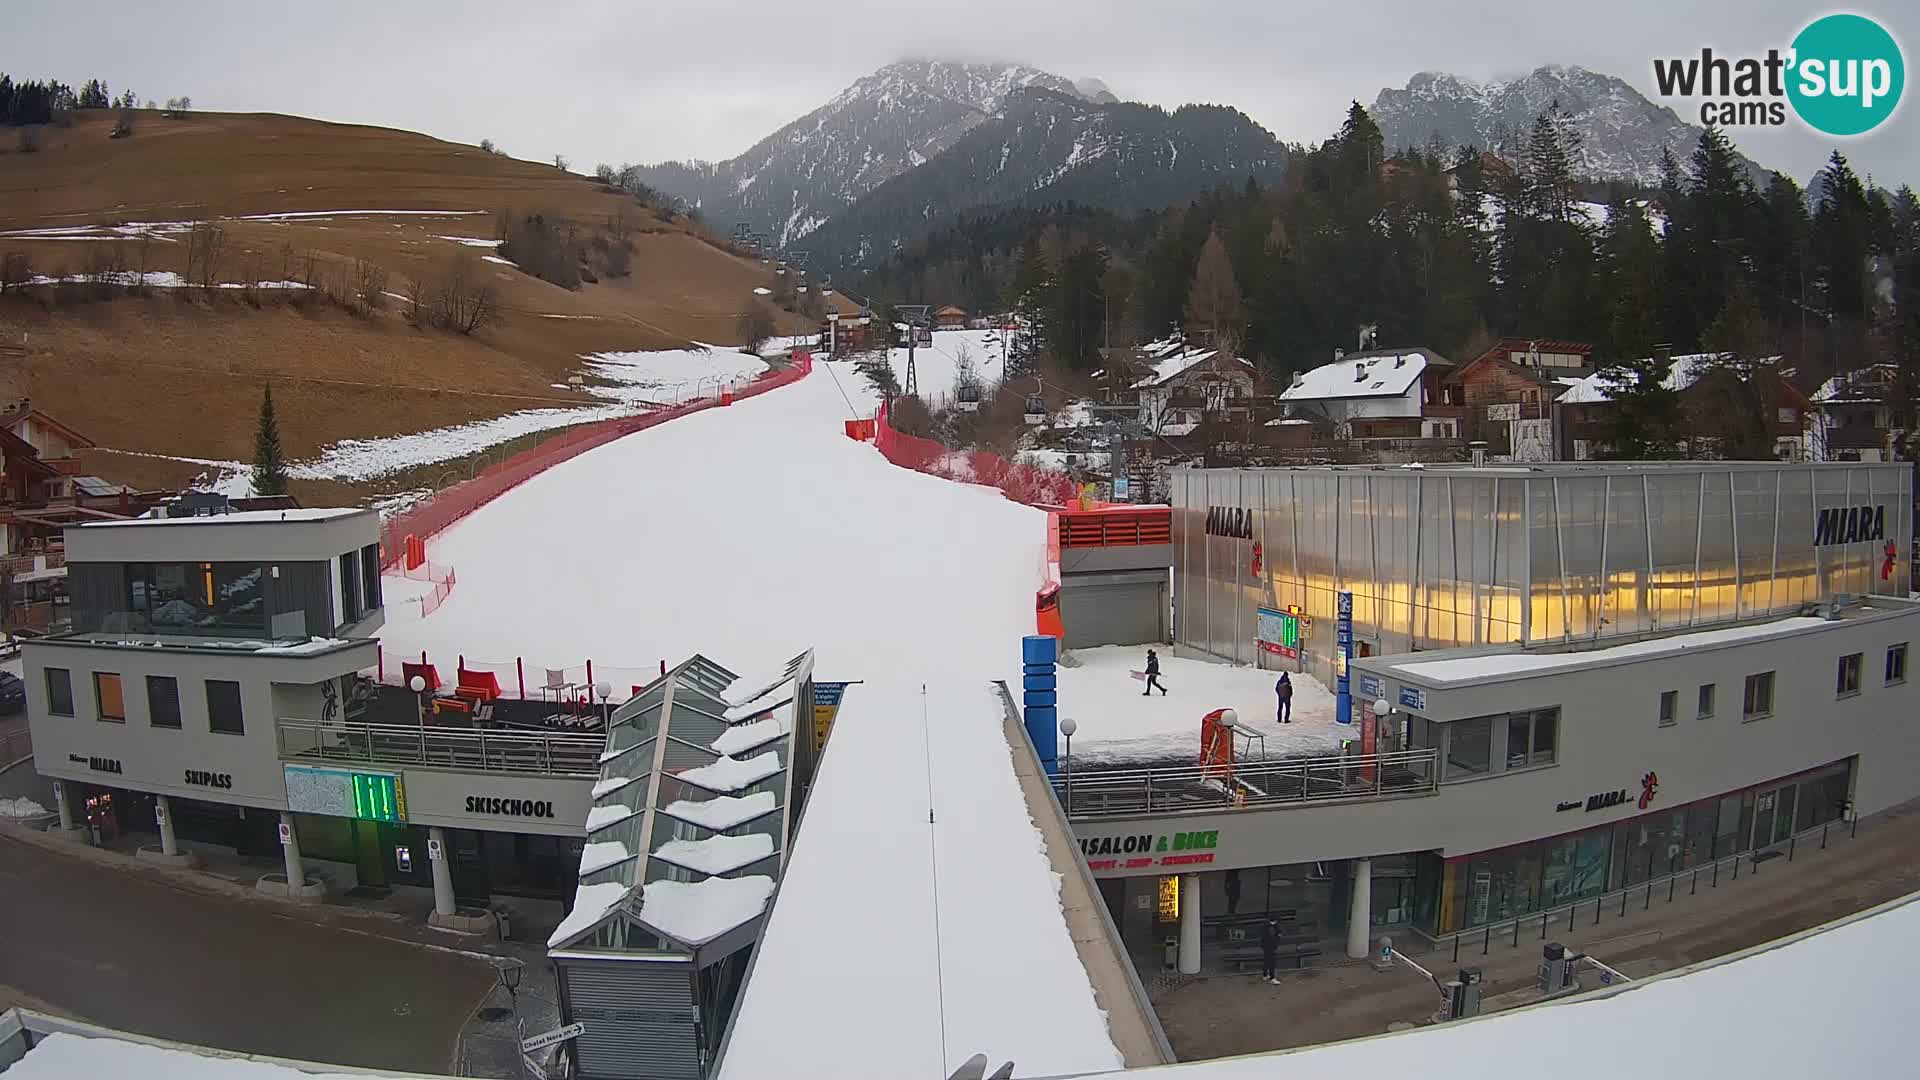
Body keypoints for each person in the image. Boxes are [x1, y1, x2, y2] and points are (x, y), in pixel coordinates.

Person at [1259, 917, 1280, 984]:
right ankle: (1272, 978)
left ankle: (1265, 975)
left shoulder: (1265, 925)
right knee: (1272, 962)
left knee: (1266, 960)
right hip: (1270, 946)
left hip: (1265, 946)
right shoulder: (1271, 927)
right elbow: (1274, 936)